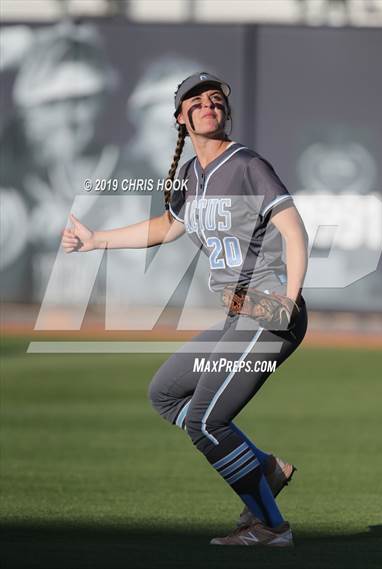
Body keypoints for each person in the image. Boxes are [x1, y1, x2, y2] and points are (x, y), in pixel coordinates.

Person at [61, 72, 309, 547]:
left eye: (216, 99)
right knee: (166, 394)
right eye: (196, 101)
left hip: (270, 315)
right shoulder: (191, 176)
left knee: (205, 422)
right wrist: (96, 241)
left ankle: (271, 526)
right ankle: (262, 467)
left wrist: (290, 296)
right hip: (240, 314)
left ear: (225, 112)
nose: (208, 104)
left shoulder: (246, 164)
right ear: (181, 118)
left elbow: (293, 230)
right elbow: (165, 228)